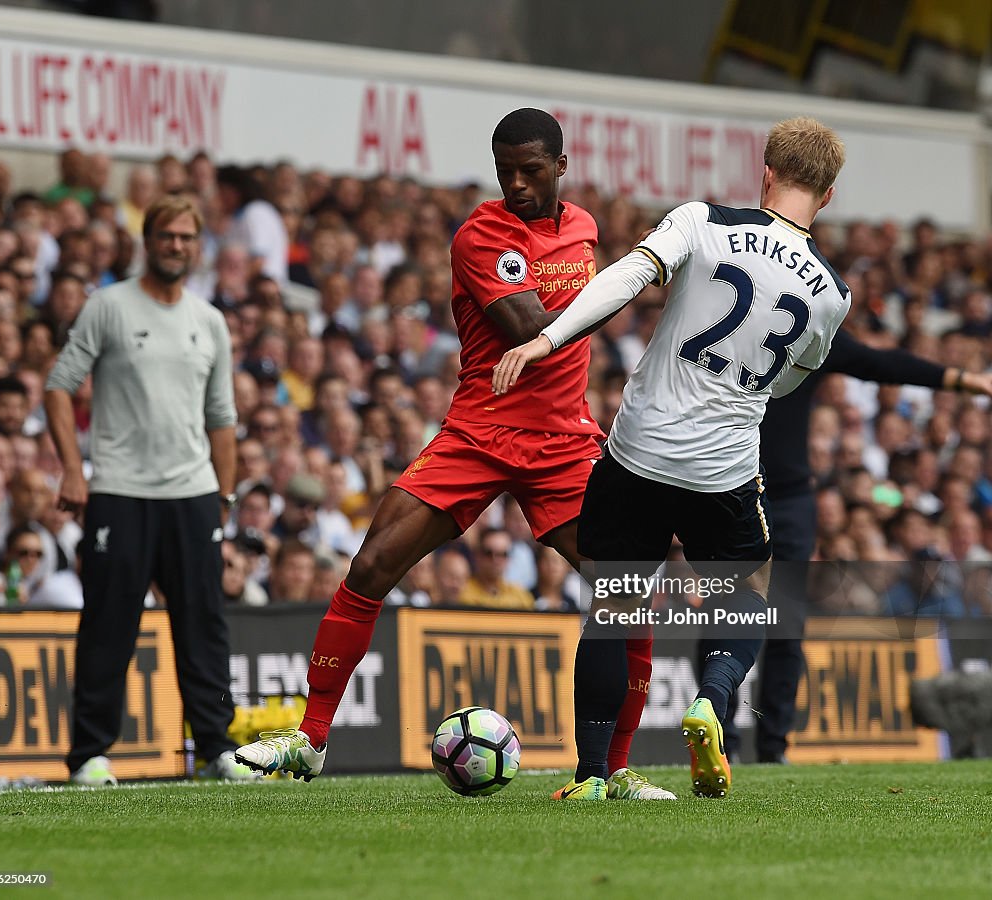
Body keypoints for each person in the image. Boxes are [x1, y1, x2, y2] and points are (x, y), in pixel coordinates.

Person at [235, 108, 673, 800]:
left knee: (628, 583)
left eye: (531, 171)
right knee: (373, 561)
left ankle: (613, 771)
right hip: (481, 430)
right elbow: (529, 327)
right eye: (506, 171)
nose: (518, 184)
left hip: (563, 440)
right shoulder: (481, 233)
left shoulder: (584, 228)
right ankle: (310, 739)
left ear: (560, 167)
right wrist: (626, 282)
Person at [494, 116, 850, 799]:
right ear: (828, 196)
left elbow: (627, 279)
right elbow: (793, 379)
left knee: (614, 606)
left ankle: (592, 777)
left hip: (637, 453)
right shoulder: (832, 294)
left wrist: (546, 340)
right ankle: (711, 701)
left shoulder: (701, 220)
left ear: (766, 171)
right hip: (723, 470)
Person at [44, 194, 257, 786]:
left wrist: (225, 496)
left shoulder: (209, 320)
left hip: (193, 493)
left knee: (203, 623)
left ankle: (216, 749)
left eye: (188, 238)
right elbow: (59, 386)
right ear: (148, 240)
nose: (177, 246)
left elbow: (221, 416)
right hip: (119, 489)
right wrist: (71, 469)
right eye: (167, 236)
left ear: (197, 246)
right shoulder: (108, 307)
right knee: (109, 624)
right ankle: (90, 755)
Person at [718, 331, 992, 764]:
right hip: (727, 488)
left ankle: (773, 748)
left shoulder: (809, 327)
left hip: (787, 496)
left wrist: (959, 378)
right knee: (727, 610)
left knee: (786, 623)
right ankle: (720, 741)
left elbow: (879, 362)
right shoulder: (731, 325)